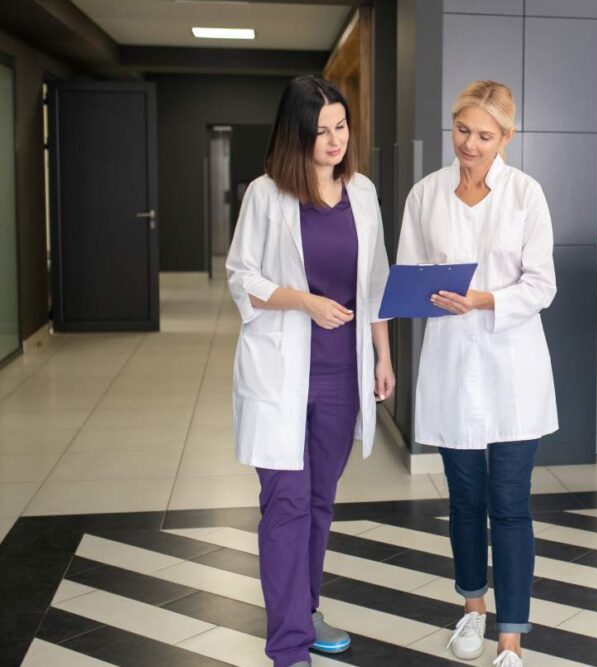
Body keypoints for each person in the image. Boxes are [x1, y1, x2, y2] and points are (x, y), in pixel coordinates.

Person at [225, 75, 394, 667]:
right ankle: (288, 645)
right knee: (287, 504)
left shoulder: (364, 193)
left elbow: (375, 283)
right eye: (320, 130)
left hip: (339, 374)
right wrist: (303, 300)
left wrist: (383, 355)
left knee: (320, 501)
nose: (334, 140)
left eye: (341, 126)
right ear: (295, 134)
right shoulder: (266, 195)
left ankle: (306, 608)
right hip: (279, 371)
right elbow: (241, 276)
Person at [396, 80, 558, 667]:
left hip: (513, 366)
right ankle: (471, 610)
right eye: (462, 130)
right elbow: (406, 274)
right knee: (465, 501)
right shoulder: (426, 194)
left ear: (507, 137)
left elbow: (542, 284)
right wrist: (423, 294)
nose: (469, 144)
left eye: (484, 135)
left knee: (510, 503)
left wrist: (484, 300)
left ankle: (510, 639)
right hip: (450, 360)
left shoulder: (525, 195)